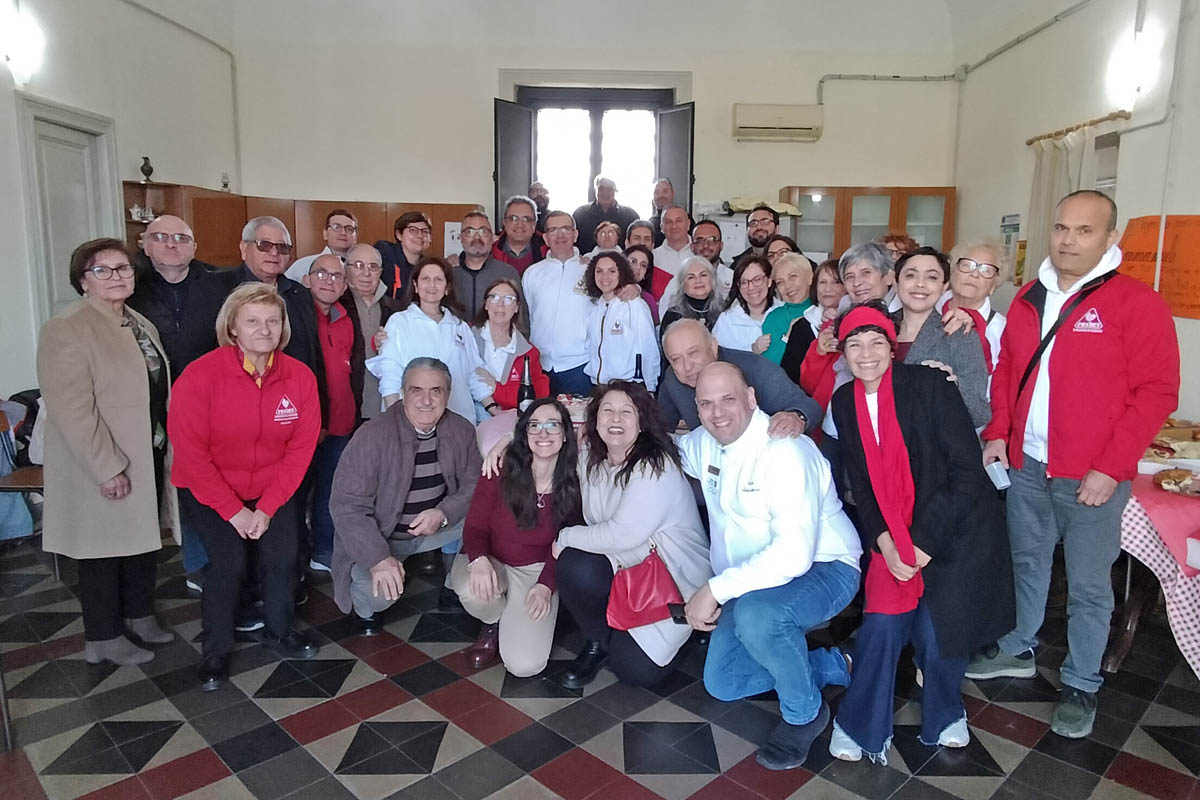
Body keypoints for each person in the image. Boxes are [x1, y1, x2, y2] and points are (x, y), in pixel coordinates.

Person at [967, 190, 1180, 738]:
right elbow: (1010, 371)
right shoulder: (1030, 298)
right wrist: (999, 433)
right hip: (1029, 465)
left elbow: (1157, 392)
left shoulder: (1137, 303)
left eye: (1084, 231)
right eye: (1061, 228)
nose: (1068, 239)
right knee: (1028, 565)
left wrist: (1110, 467)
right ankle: (1018, 646)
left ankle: (1082, 682)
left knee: (1088, 585)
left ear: (1111, 239)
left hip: (1093, 475)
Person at [828, 302, 1014, 763]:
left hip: (953, 532)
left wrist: (923, 544)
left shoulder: (929, 385)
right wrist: (885, 542)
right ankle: (858, 721)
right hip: (892, 535)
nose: (866, 354)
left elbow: (966, 473)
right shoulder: (843, 402)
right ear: (844, 352)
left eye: (876, 343)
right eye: (855, 344)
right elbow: (863, 485)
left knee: (938, 630)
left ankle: (947, 711)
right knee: (883, 626)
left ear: (892, 348)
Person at [679, 362, 862, 771]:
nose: (717, 412)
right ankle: (831, 664)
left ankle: (805, 714)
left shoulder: (784, 451)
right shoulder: (704, 443)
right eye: (705, 404)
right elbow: (667, 451)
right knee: (723, 682)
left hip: (825, 567)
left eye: (728, 399)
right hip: (752, 581)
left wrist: (714, 590)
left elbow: (793, 556)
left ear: (751, 398)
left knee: (759, 617)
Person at [169, 283, 322, 688]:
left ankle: (279, 630)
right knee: (228, 564)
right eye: (252, 321)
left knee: (283, 557)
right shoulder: (200, 376)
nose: (264, 329)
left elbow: (301, 450)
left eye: (273, 321)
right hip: (212, 488)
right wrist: (235, 512)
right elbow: (191, 455)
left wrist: (267, 508)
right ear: (232, 327)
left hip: (273, 486)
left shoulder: (299, 377)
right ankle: (215, 652)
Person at [38, 238, 177, 666]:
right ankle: (103, 635)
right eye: (104, 270)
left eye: (123, 269)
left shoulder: (137, 323)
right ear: (83, 280)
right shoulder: (67, 328)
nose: (116, 277)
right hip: (98, 458)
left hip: (144, 448)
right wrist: (106, 468)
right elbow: (72, 409)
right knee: (100, 549)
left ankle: (139, 614)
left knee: (140, 541)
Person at [554, 381, 712, 688]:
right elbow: (540, 437)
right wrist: (503, 444)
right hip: (630, 564)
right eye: (607, 410)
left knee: (634, 671)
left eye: (627, 412)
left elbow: (622, 534)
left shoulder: (655, 465)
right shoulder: (591, 458)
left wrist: (566, 537)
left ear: (641, 421)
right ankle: (598, 641)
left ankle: (692, 627)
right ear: (594, 419)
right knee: (576, 567)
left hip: (673, 577)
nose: (616, 419)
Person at [330, 358, 482, 635]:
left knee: (487, 515)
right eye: (416, 390)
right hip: (384, 536)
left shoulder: (462, 430)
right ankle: (363, 608)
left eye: (436, 390)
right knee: (380, 597)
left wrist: (444, 512)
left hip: (437, 528)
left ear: (447, 394)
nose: (426, 400)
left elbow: (474, 485)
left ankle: (453, 586)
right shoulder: (372, 435)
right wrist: (378, 558)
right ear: (403, 392)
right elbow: (347, 506)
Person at [127, 215, 226, 590]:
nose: (172, 244)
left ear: (194, 247)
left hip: (210, 399)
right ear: (145, 243)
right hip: (150, 403)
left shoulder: (217, 283)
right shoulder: (131, 286)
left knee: (205, 479)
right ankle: (178, 565)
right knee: (173, 483)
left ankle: (211, 559)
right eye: (161, 237)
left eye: (181, 238)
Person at [450, 399, 582, 674]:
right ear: (524, 433)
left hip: (536, 570)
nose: (543, 434)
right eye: (535, 426)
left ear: (565, 434)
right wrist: (479, 561)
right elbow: (474, 527)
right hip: (492, 559)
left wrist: (546, 584)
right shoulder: (500, 468)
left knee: (525, 666)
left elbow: (569, 542)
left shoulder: (576, 480)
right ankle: (495, 620)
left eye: (552, 426)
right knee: (473, 592)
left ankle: (514, 617)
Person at [220, 217, 326, 420]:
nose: (274, 253)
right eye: (265, 245)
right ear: (244, 248)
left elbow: (313, 355)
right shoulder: (218, 290)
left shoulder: (299, 294)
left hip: (293, 407)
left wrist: (321, 415)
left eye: (283, 247)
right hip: (236, 410)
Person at [368, 256, 493, 423]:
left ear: (447, 287)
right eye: (425, 279)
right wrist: (395, 417)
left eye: (438, 279)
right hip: (412, 421)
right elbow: (390, 373)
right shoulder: (399, 322)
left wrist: (492, 407)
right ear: (416, 286)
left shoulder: (459, 326)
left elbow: (474, 374)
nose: (432, 285)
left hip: (458, 420)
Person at [302, 254, 364, 572]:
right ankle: (296, 556)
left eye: (337, 277)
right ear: (307, 280)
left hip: (342, 422)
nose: (330, 281)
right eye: (322, 274)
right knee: (298, 492)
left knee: (332, 488)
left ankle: (323, 548)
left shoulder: (345, 317)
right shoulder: (296, 317)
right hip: (306, 424)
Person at [660, 319, 821, 434]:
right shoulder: (673, 379)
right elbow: (660, 426)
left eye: (693, 353)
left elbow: (808, 406)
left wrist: (795, 417)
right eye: (676, 359)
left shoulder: (755, 368)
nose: (687, 366)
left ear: (713, 347)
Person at [892, 248, 991, 429]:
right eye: (911, 276)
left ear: (944, 286)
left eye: (932, 277)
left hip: (932, 450)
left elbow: (979, 413)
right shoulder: (880, 329)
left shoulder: (960, 334)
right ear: (896, 281)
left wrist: (951, 387)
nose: (920, 284)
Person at [522, 211, 593, 395]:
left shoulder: (592, 270)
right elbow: (530, 315)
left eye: (566, 229)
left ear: (575, 234)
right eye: (553, 230)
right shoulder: (532, 274)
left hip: (581, 366)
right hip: (541, 366)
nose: (560, 235)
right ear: (545, 238)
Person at [583, 251, 661, 391]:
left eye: (612, 271)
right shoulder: (595, 308)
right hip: (599, 386)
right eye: (599, 271)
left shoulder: (634, 305)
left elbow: (649, 349)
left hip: (628, 387)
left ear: (621, 273)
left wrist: (650, 388)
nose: (604, 277)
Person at [341, 243, 402, 419]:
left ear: (380, 272)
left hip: (386, 406)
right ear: (347, 269)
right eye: (359, 266)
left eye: (373, 267)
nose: (366, 273)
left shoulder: (395, 310)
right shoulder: (336, 305)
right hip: (346, 410)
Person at [472, 278, 549, 412]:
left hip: (511, 420)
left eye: (508, 299)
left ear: (516, 308)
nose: (500, 304)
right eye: (494, 297)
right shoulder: (467, 337)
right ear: (486, 304)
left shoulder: (528, 352)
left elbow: (535, 396)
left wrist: (497, 388)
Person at [937, 240, 1010, 373]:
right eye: (967, 265)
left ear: (994, 286)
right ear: (953, 272)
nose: (974, 274)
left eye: (986, 270)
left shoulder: (1002, 329)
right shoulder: (930, 308)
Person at [786, 259, 845, 394]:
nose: (827, 289)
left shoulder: (855, 322)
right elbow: (790, 374)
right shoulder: (802, 325)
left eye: (836, 282)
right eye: (822, 282)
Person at [452, 211, 521, 321]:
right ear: (460, 238)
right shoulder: (449, 273)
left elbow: (521, 319)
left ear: (493, 237)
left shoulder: (508, 273)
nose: (476, 237)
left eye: (483, 231)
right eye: (469, 231)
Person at [657, 221, 733, 317]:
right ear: (692, 247)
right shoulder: (677, 282)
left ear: (721, 245)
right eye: (700, 241)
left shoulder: (733, 278)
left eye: (712, 240)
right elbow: (664, 316)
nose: (706, 245)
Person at [714, 255, 781, 353]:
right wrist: (752, 349)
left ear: (769, 281)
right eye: (744, 282)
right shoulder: (727, 320)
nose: (751, 287)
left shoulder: (784, 312)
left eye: (757, 280)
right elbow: (719, 358)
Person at [761, 253, 814, 366]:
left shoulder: (823, 312)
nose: (787, 286)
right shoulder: (774, 318)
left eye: (792, 277)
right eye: (780, 282)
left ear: (810, 277)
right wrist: (788, 338)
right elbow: (770, 365)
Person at [285, 208, 358, 282]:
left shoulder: (363, 269)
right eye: (337, 227)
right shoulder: (302, 265)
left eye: (349, 229)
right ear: (325, 233)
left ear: (355, 237)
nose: (343, 233)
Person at [573, 175, 639, 254]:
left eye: (609, 189)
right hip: (586, 263)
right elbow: (572, 241)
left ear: (616, 190)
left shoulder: (630, 215)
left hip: (622, 264)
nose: (605, 192)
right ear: (595, 190)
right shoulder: (580, 214)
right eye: (601, 189)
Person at [659, 256, 724, 336]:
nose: (698, 281)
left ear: (713, 280)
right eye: (691, 277)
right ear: (682, 285)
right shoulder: (673, 315)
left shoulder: (725, 311)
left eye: (703, 275)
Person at [376, 211, 431, 301]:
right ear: (399, 235)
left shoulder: (428, 266)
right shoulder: (385, 253)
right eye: (413, 230)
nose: (420, 235)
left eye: (425, 232)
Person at [492, 195, 548, 274]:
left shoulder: (548, 251)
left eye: (526, 219)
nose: (520, 225)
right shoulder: (490, 251)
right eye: (513, 219)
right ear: (504, 222)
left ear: (534, 224)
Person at [623, 244, 670, 323]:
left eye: (643, 265)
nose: (638, 267)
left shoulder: (648, 299)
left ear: (645, 274)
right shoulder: (606, 286)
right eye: (633, 261)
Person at [652, 205, 693, 278]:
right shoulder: (653, 257)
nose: (674, 226)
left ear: (688, 224)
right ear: (662, 227)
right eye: (668, 222)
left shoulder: (700, 252)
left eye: (679, 221)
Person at [648, 177, 674, 245]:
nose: (661, 195)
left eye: (665, 191)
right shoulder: (650, 224)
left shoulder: (685, 218)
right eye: (657, 192)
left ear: (673, 194)